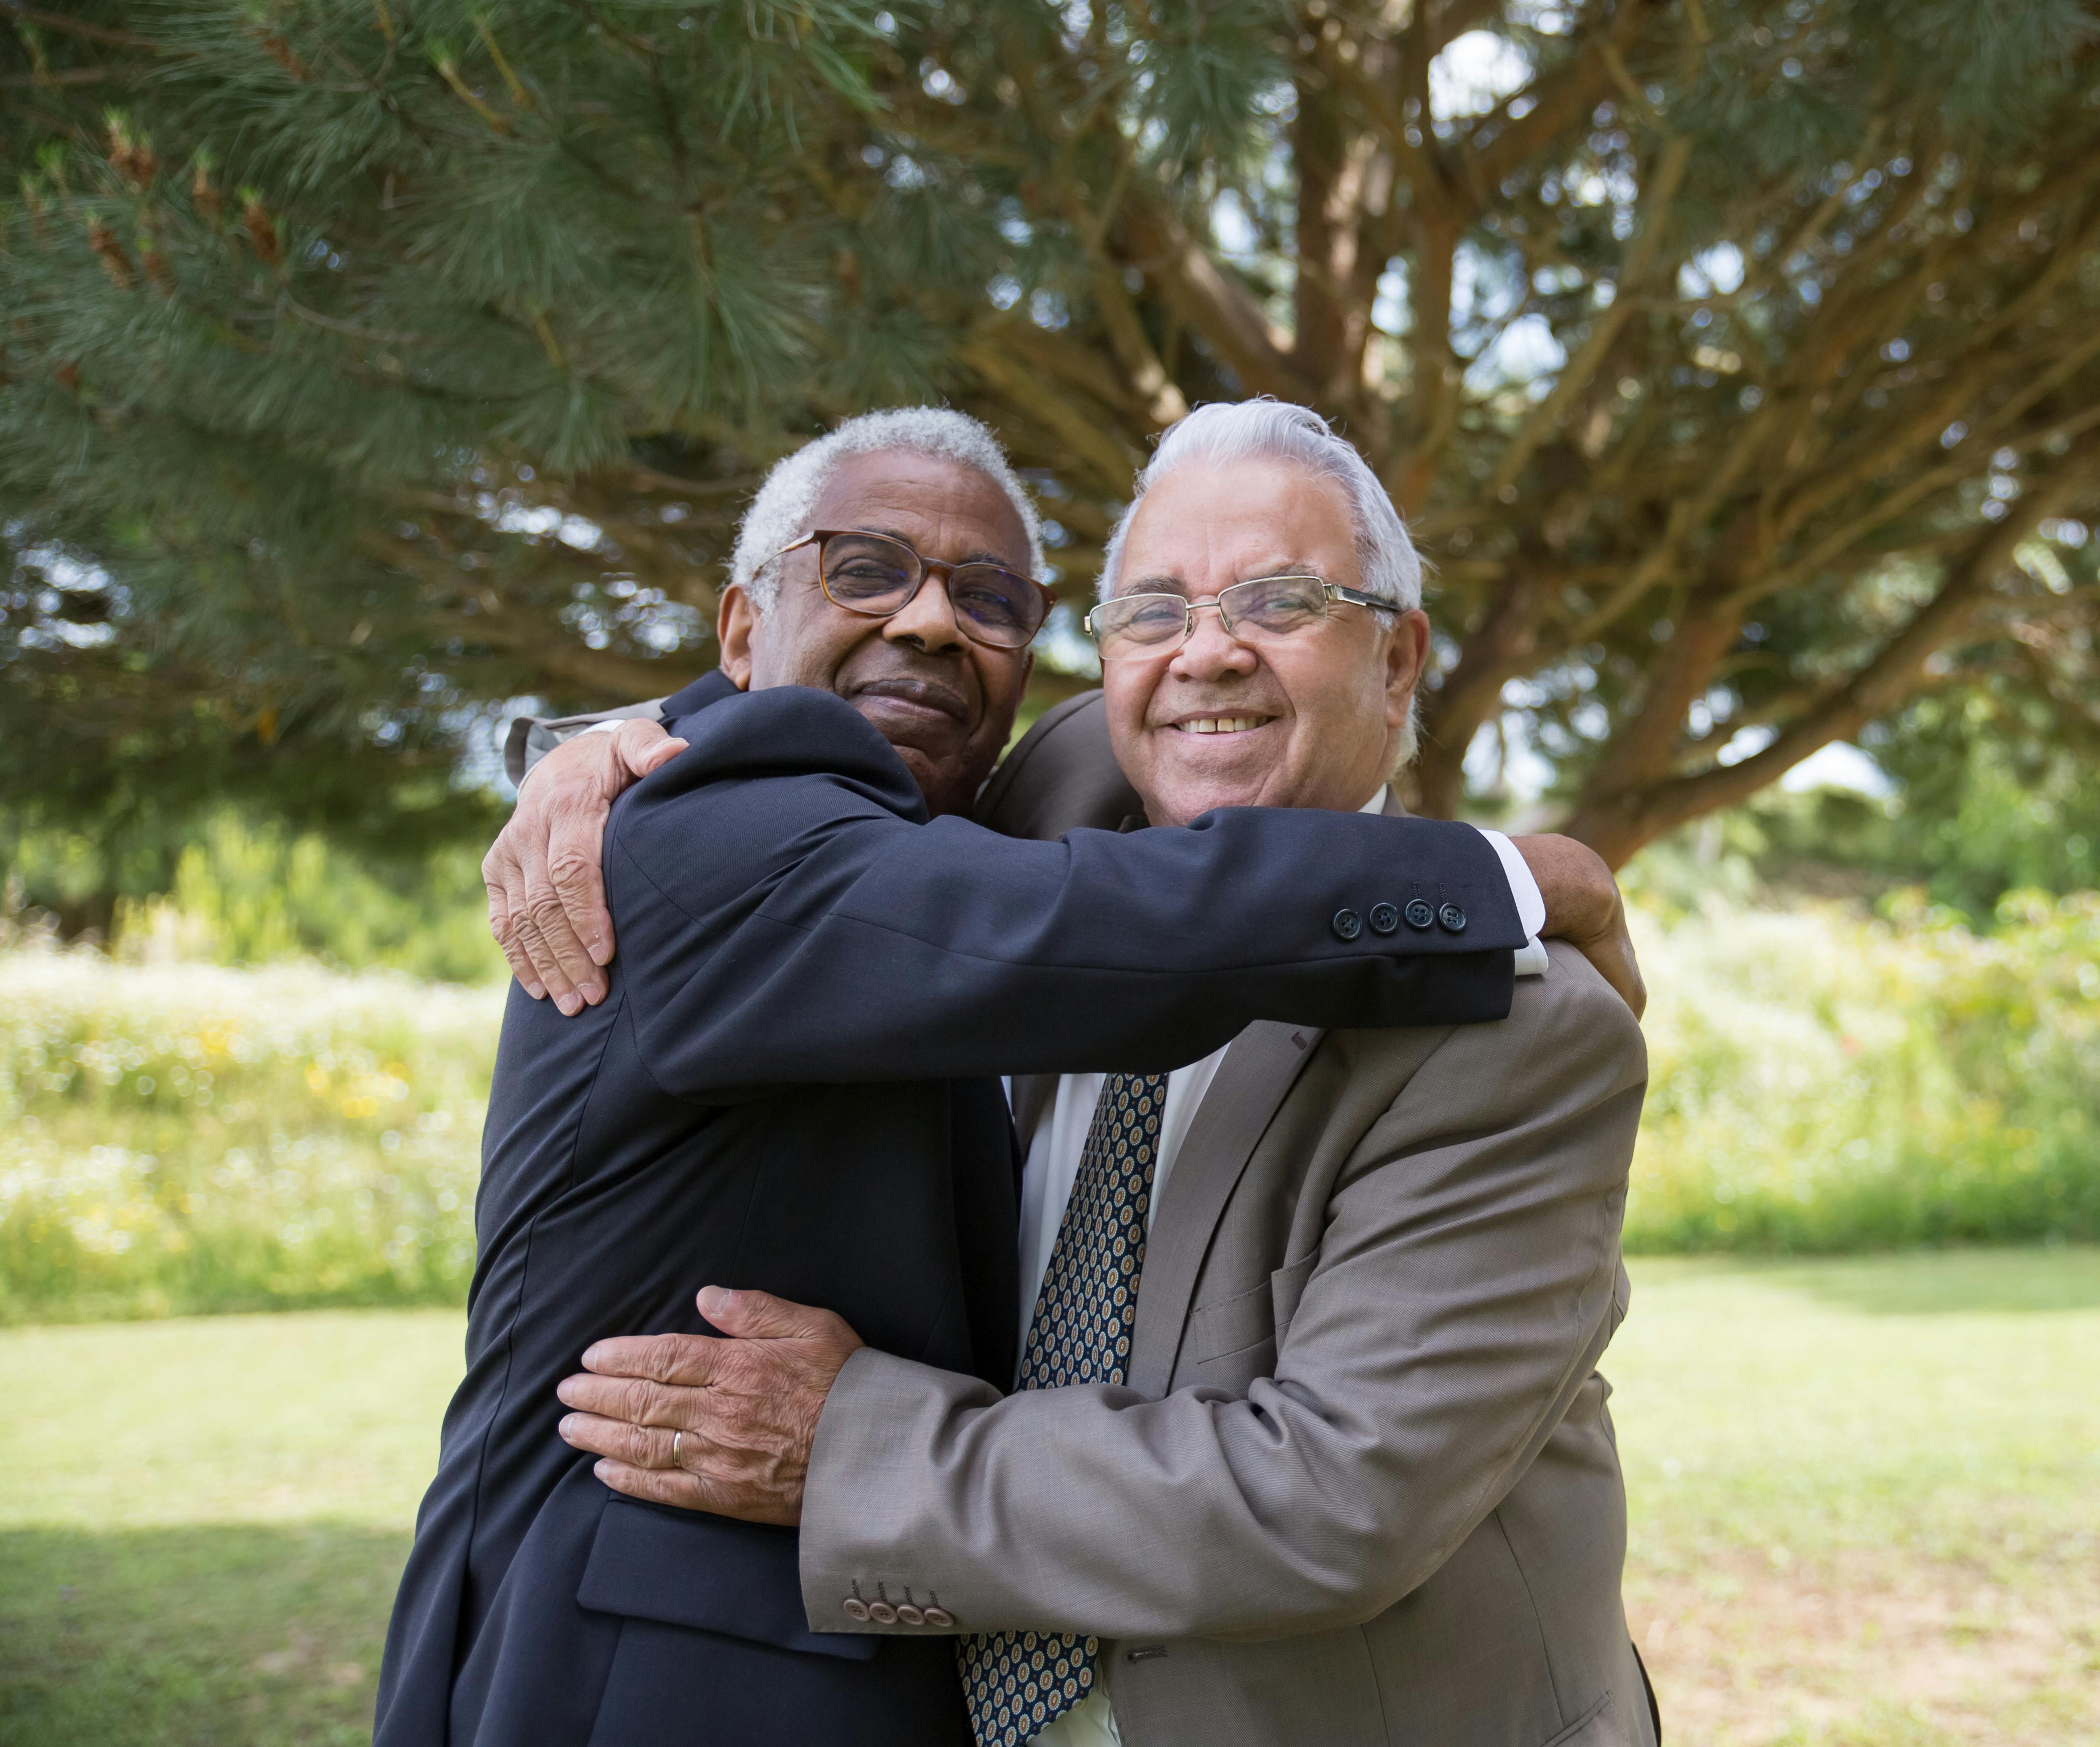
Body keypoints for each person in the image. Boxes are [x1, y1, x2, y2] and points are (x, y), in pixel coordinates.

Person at [376, 406, 1637, 1747]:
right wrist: (600, 752)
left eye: (1279, 600)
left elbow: (1335, 1499)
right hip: (624, 1671)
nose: (1206, 651)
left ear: (1400, 656)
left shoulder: (1514, 1024)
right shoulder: (742, 844)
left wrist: (854, 1448)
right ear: (740, 630)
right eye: (1151, 610)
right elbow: (1060, 895)